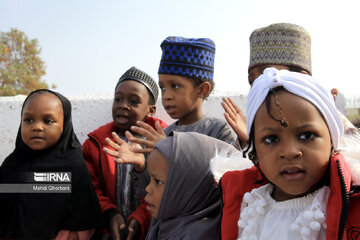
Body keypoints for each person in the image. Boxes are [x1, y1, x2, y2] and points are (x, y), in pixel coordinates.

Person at [211, 68, 360, 240]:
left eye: (307, 135)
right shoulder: (247, 206)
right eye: (271, 139)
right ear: (255, 151)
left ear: (332, 141)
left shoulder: (350, 207)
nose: (290, 152)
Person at [222, 22, 358, 147]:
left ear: (302, 78)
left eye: (267, 76)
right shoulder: (257, 125)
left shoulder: (334, 122)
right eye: (252, 82)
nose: (258, 87)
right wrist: (250, 141)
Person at [0, 89, 104, 239]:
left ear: (65, 124)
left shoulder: (73, 169)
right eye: (28, 120)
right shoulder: (11, 167)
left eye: (48, 121)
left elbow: (84, 223)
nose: (37, 127)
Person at [82, 67, 167, 240]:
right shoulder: (95, 144)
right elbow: (89, 187)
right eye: (118, 99)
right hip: (108, 231)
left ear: (150, 110)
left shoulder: (164, 142)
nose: (123, 105)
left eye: (134, 101)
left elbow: (167, 186)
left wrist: (141, 218)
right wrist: (110, 214)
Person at [145, 131, 238, 240]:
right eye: (150, 179)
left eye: (158, 181)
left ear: (191, 188)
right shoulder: (168, 223)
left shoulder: (198, 235)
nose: (147, 188)